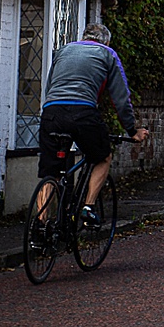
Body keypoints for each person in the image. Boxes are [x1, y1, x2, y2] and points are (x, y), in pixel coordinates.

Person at [39, 23, 149, 228]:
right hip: (83, 113)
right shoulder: (108, 54)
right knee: (103, 157)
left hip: (52, 112)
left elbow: (50, 86)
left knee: (50, 172)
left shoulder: (64, 50)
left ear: (84, 37)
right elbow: (121, 98)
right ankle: (88, 208)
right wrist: (132, 130)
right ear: (106, 41)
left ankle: (39, 225)